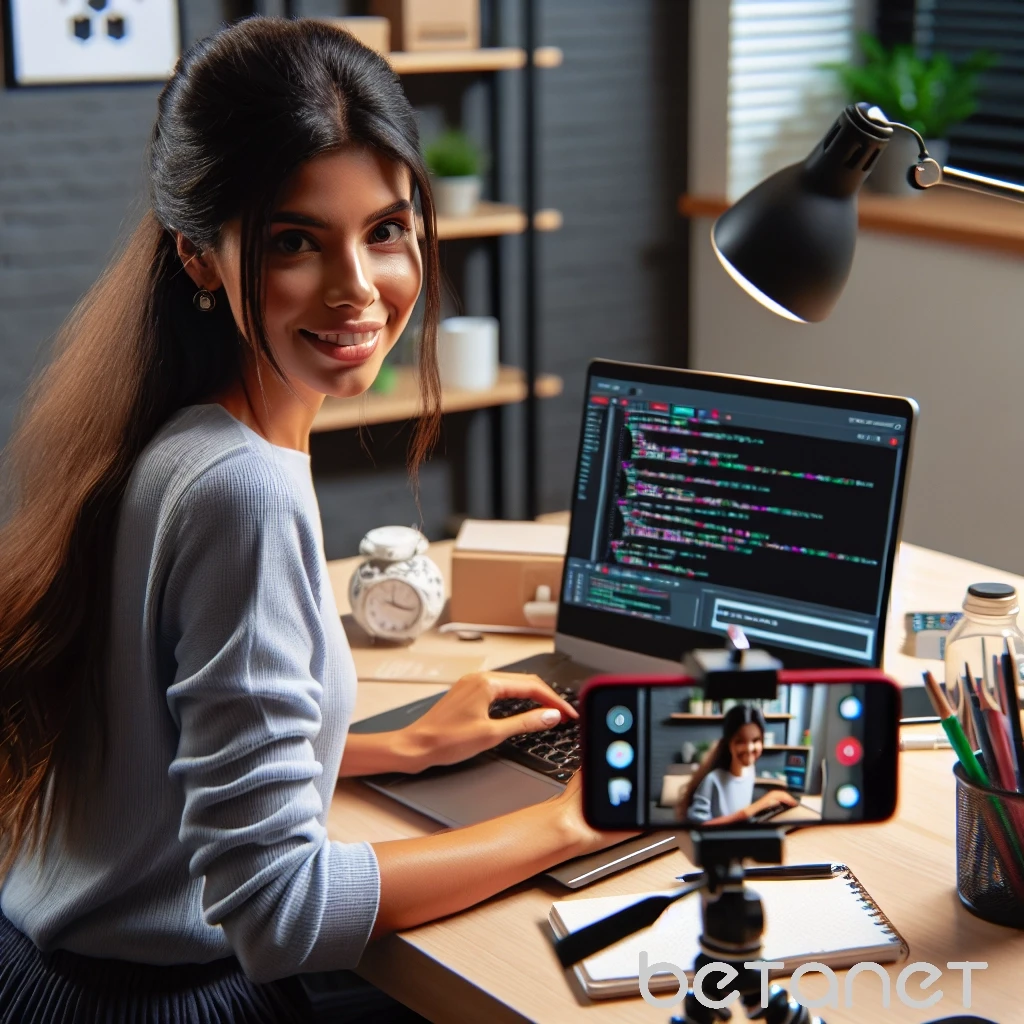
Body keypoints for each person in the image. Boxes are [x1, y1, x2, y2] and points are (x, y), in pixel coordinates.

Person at [0, 18, 622, 1023]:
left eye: (385, 231)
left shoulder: (174, 433)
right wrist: (573, 822)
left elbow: (174, 742)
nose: (357, 290)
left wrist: (397, 747)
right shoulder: (240, 490)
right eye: (296, 241)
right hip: (155, 1001)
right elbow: (279, 912)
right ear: (198, 257)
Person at [676, 705, 798, 827]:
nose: (749, 748)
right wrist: (748, 812)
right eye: (740, 741)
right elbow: (699, 827)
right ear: (729, 743)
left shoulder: (750, 771)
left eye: (755, 740)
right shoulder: (713, 780)